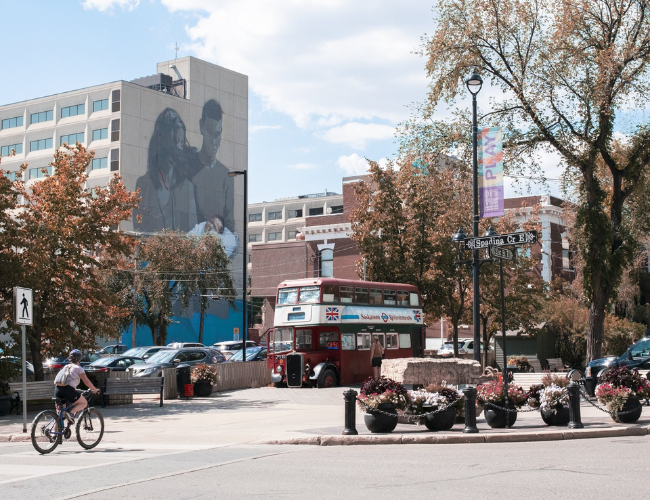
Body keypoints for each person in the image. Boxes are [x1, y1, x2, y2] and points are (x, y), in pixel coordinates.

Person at [53, 350, 99, 422]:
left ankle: (55, 433)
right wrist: (95, 389)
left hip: (57, 389)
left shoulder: (66, 367)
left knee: (60, 415)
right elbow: (86, 382)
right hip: (67, 390)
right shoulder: (78, 368)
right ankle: (70, 412)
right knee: (84, 403)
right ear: (79, 359)